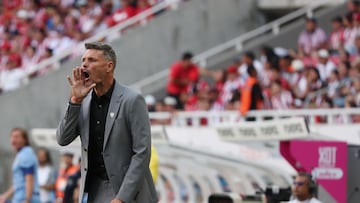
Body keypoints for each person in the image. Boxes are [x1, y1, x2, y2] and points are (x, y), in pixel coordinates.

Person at [56, 42, 157, 203]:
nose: (84, 65)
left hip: (128, 191)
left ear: (108, 66)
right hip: (94, 189)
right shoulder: (83, 101)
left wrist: (122, 198)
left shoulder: (132, 100)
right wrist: (75, 101)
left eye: (91, 60)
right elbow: (62, 139)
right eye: (83, 60)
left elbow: (142, 152)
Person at [0, 128, 41, 203]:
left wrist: (27, 199)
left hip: (25, 199)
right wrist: (4, 196)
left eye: (16, 137)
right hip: (20, 198)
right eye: (12, 136)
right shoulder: (21, 154)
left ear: (25, 140)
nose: (13, 139)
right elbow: (18, 183)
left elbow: (29, 178)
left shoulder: (26, 154)